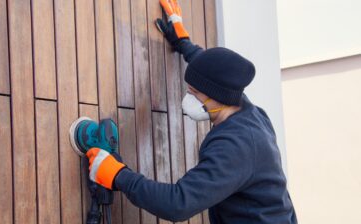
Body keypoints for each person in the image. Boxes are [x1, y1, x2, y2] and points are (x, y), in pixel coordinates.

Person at [70, 0, 297, 223]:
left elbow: (178, 204)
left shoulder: (236, 146)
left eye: (195, 93)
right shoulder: (243, 106)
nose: (188, 99)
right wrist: (183, 41)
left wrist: (119, 175)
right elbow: (211, 71)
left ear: (217, 97)